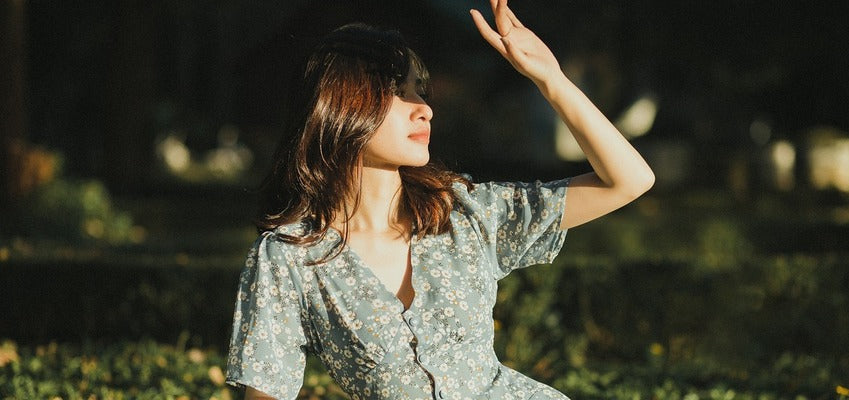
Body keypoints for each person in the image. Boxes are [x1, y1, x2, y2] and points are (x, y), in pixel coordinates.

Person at [225, 0, 655, 399]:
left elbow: (629, 181)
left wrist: (551, 79)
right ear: (343, 102)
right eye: (400, 91)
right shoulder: (290, 257)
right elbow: (266, 389)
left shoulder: (465, 212)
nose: (424, 108)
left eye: (421, 90)